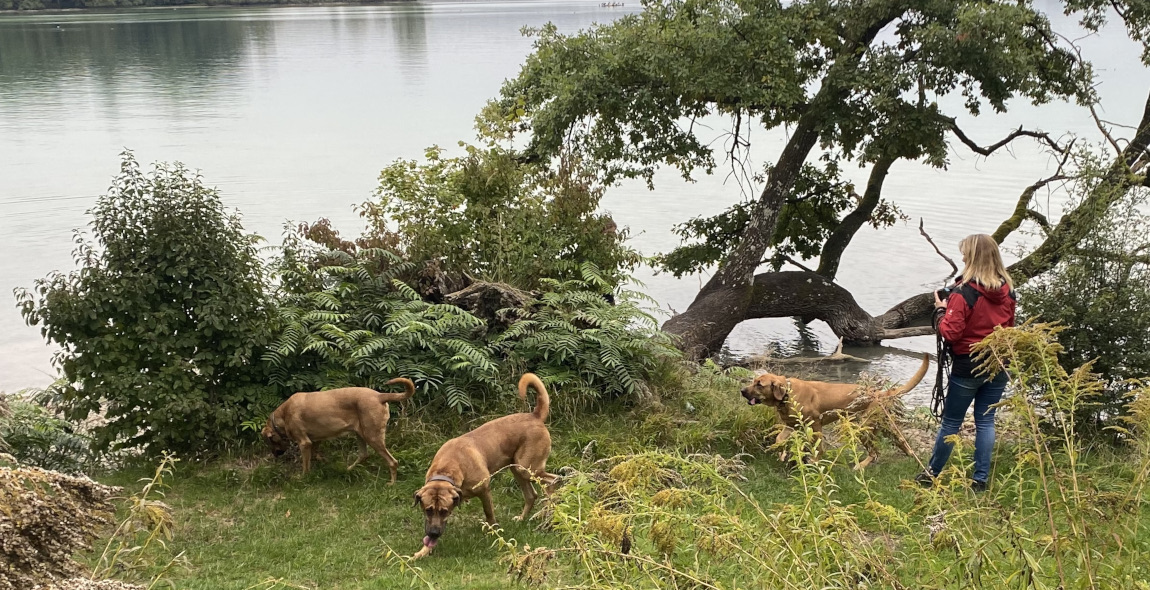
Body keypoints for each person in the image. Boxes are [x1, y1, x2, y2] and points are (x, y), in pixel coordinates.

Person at [917, 234, 1016, 492]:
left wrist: (941, 309)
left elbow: (951, 332)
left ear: (972, 257)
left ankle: (932, 473)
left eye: (964, 253)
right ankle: (979, 479)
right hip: (999, 364)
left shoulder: (963, 294)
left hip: (968, 366)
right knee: (986, 421)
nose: (961, 257)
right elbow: (1010, 328)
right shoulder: (1009, 292)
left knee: (951, 422)